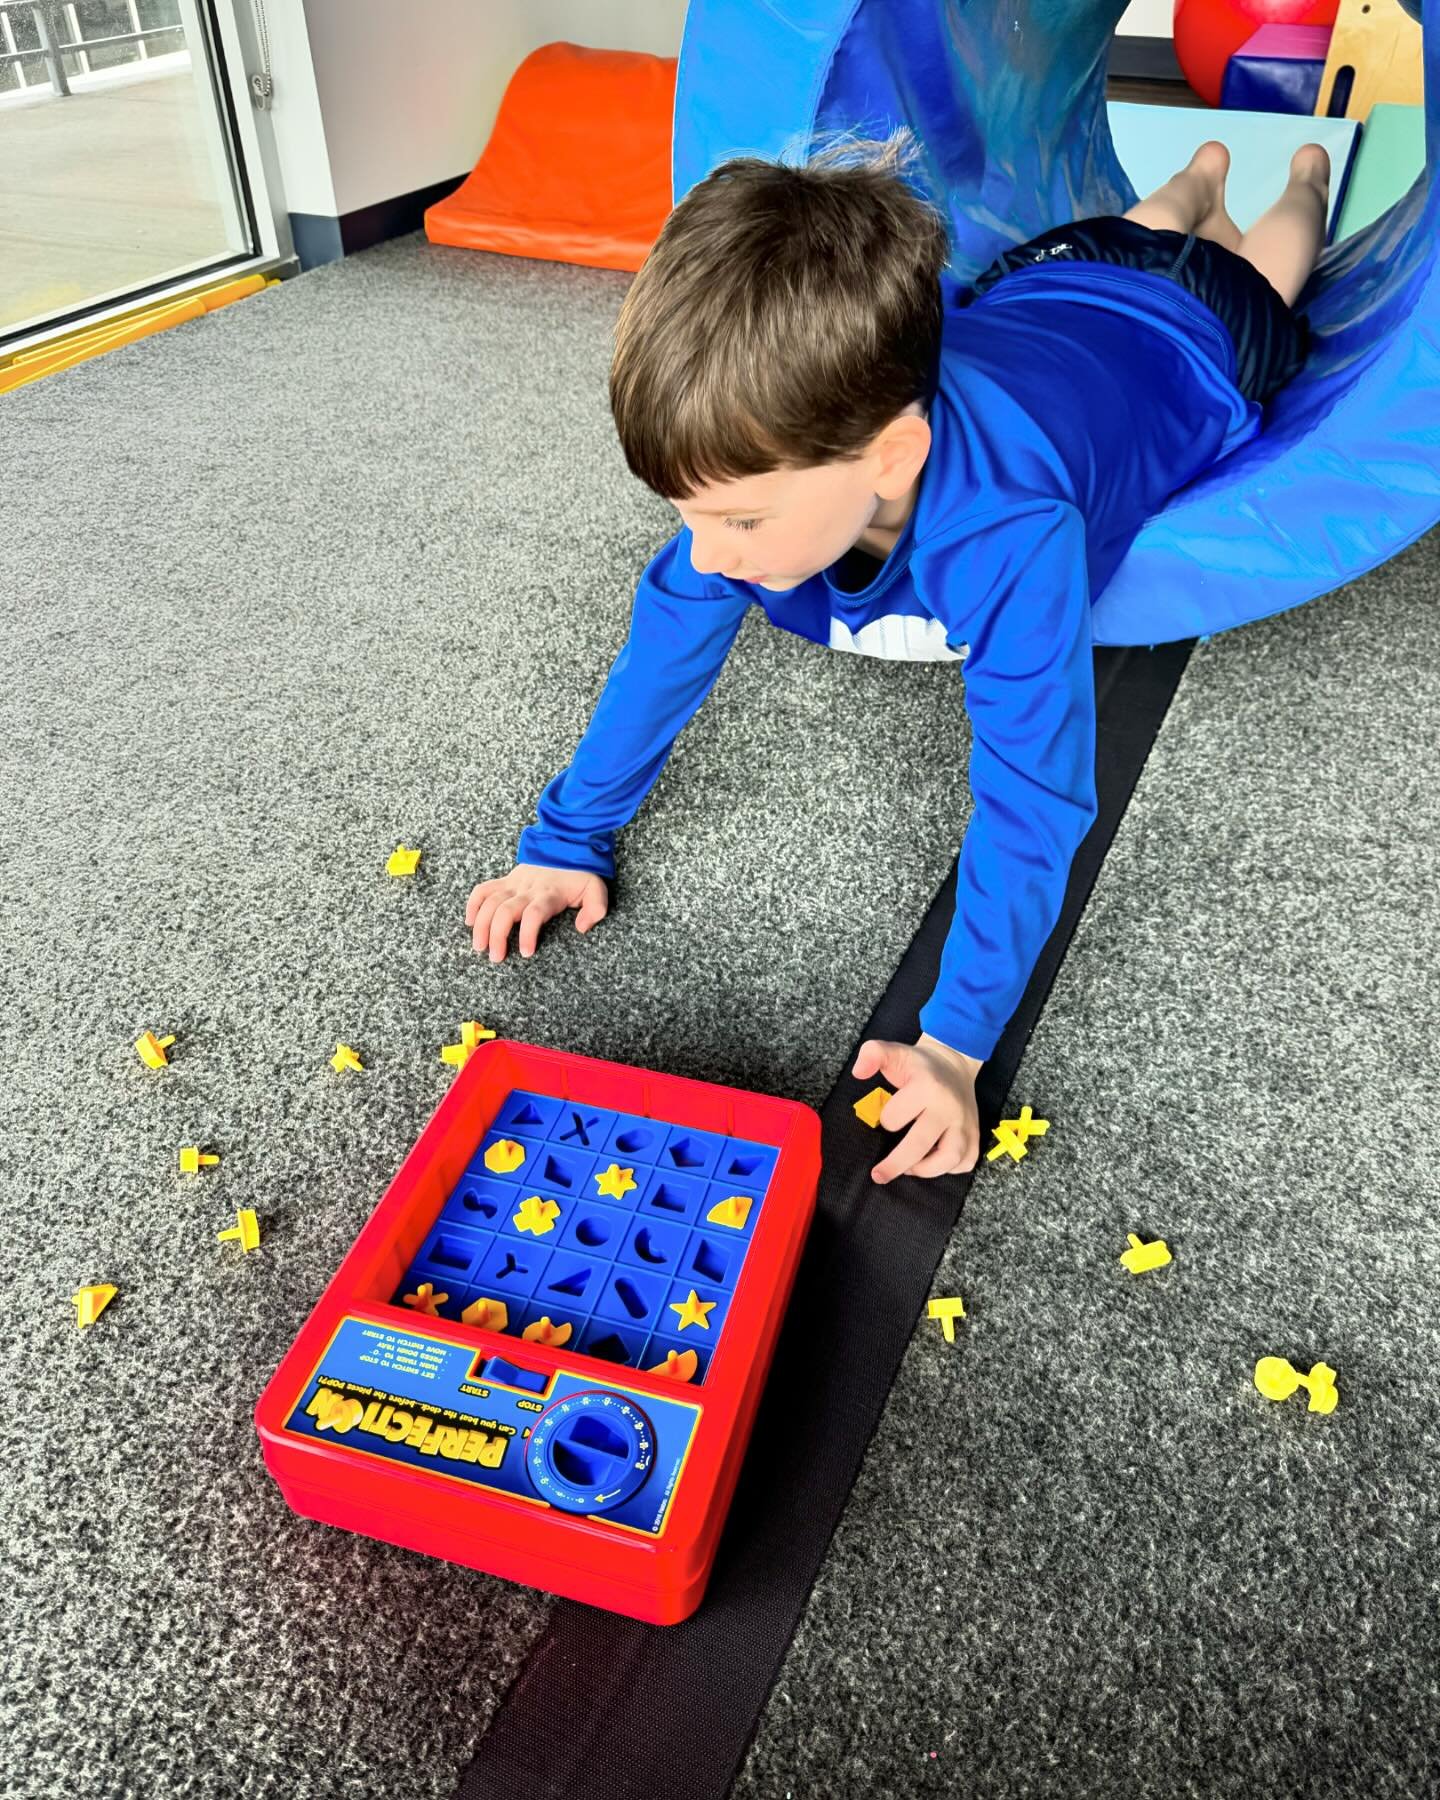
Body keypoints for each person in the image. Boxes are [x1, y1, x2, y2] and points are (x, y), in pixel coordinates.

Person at [464, 129, 1331, 1184]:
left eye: (736, 520)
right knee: (1143, 227)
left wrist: (955, 1045)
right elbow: (665, 646)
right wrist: (566, 839)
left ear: (892, 456)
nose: (703, 553)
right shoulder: (822, 434)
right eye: (685, 514)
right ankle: (1201, 177)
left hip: (1191, 336)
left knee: (1267, 267)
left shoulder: (1012, 533)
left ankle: (1301, 176)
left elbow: (1036, 797)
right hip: (1042, 288)